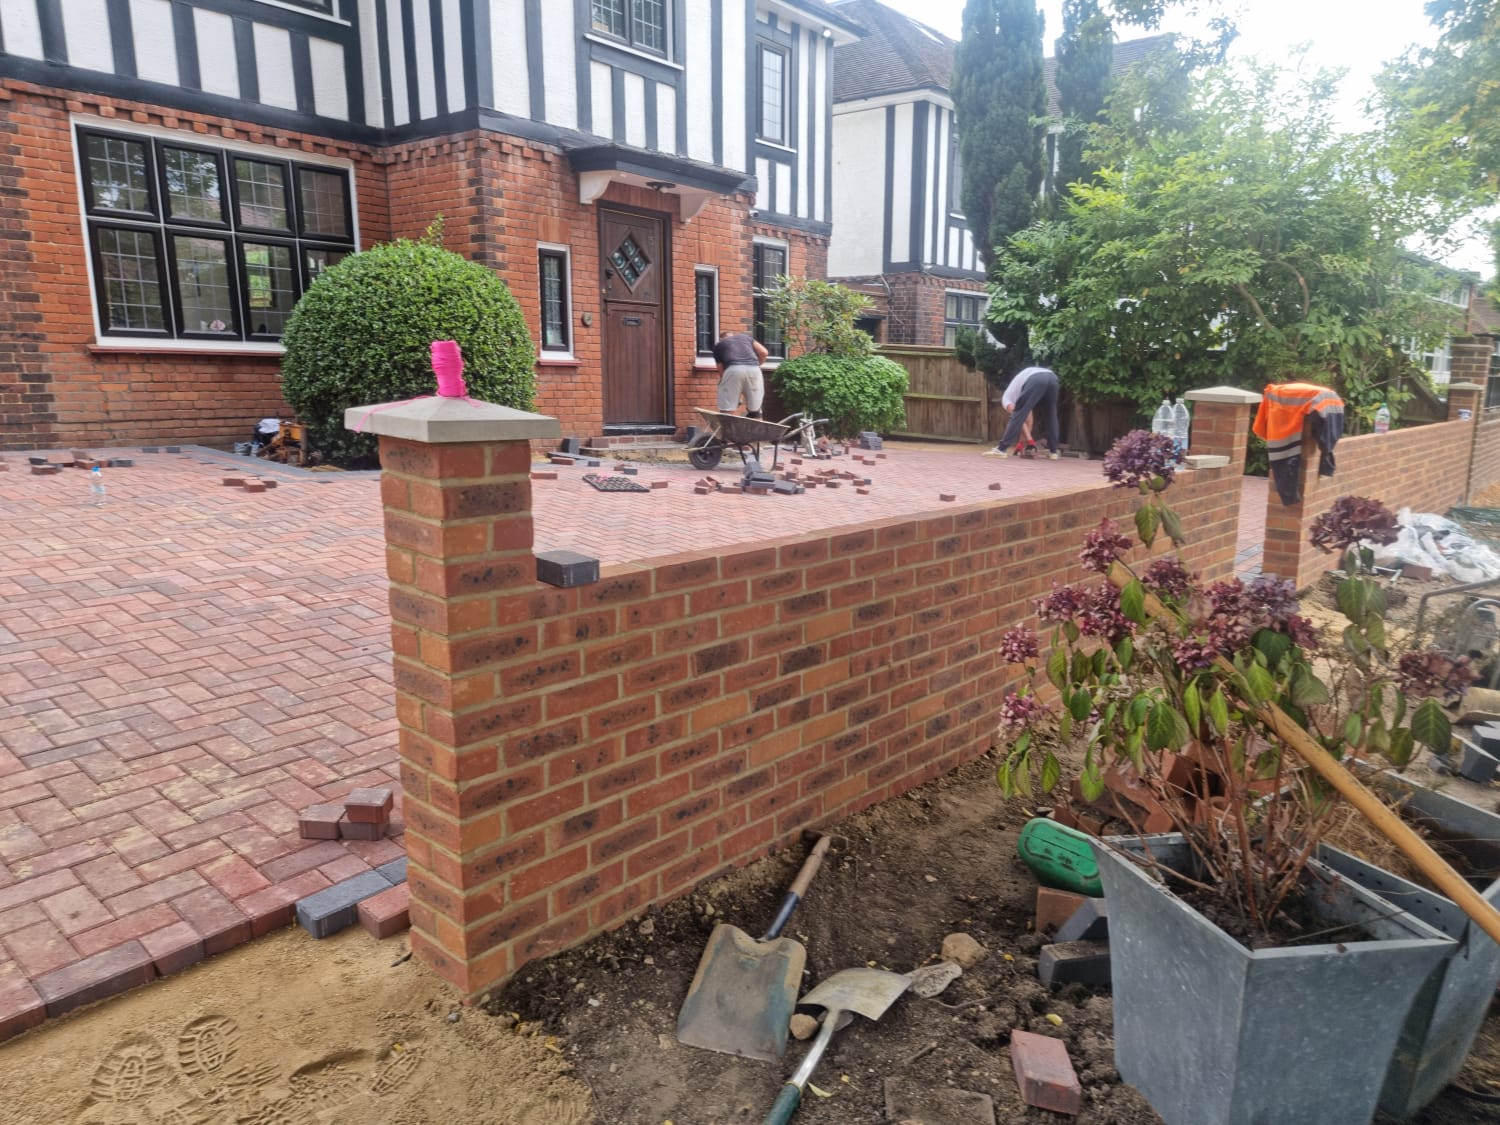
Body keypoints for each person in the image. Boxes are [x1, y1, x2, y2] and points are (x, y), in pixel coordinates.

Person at [984, 365, 1060, 458]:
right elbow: (1028, 421)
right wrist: (1022, 443)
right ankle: (1053, 452)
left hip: (1035, 378)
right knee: (1051, 415)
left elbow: (1018, 417)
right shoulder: (1020, 393)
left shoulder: (1006, 399)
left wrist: (1030, 440)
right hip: (1052, 378)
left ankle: (1001, 449)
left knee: (1017, 415)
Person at [712, 330, 769, 417]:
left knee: (727, 410)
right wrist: (756, 365)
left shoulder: (719, 345)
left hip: (733, 369)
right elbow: (764, 352)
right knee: (755, 411)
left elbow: (721, 370)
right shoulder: (745, 337)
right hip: (754, 369)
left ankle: (726, 423)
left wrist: (727, 386)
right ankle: (756, 422)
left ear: (721, 339)